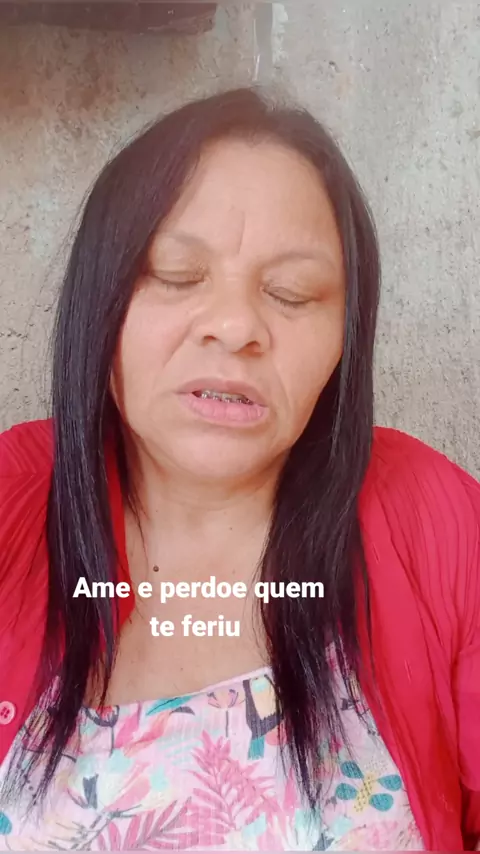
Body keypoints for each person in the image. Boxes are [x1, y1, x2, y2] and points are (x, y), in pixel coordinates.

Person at [0, 87, 478, 852]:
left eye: (291, 293)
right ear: (99, 300)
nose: (234, 327)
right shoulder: (11, 503)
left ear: (345, 338)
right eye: (176, 274)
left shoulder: (437, 518)